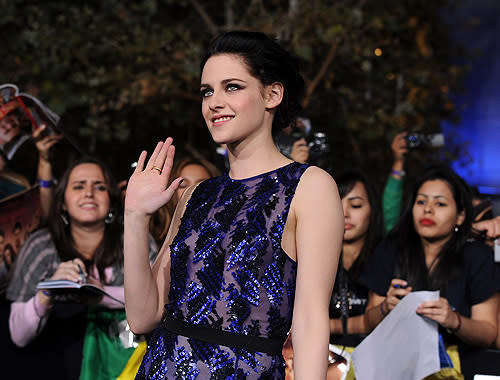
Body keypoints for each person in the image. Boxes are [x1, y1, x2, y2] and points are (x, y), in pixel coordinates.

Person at [124, 30, 344, 379]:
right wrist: (135, 218)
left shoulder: (309, 186)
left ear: (272, 94)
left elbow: (310, 321)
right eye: (207, 91)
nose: (213, 102)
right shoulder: (196, 195)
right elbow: (142, 316)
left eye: (232, 87)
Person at [5, 156, 158, 379]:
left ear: (111, 201)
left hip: (125, 365)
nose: (88, 193)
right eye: (78, 186)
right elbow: (18, 336)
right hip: (53, 365)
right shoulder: (41, 246)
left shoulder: (135, 240)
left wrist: (100, 293)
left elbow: (158, 305)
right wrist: (47, 293)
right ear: (63, 202)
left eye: (99, 187)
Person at [360, 164, 500, 377]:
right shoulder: (391, 249)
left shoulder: (477, 256)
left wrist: (454, 321)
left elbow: (488, 332)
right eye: (421, 201)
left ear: (461, 216)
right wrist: (385, 308)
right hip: (394, 367)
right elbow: (368, 322)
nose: (428, 209)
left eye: (440, 203)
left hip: (461, 367)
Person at [282, 169, 384, 380]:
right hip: (314, 364)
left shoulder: (385, 255)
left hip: (372, 366)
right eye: (336, 202)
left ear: (373, 211)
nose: (344, 212)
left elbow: (376, 320)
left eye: (355, 205)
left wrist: (317, 324)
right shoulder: (307, 255)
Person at [149, 155, 220, 246]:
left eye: (202, 184)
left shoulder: (225, 235)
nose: (192, 190)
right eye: (183, 185)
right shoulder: (152, 236)